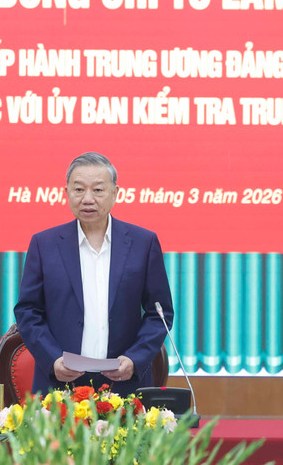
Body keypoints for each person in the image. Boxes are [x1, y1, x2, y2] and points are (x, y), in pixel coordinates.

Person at [14, 152, 174, 396]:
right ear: (66, 192)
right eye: (79, 190)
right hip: (60, 387)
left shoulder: (143, 243)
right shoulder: (44, 244)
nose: (87, 199)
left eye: (98, 190)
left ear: (115, 193)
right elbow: (28, 312)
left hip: (124, 386)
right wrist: (53, 360)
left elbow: (160, 313)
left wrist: (134, 358)